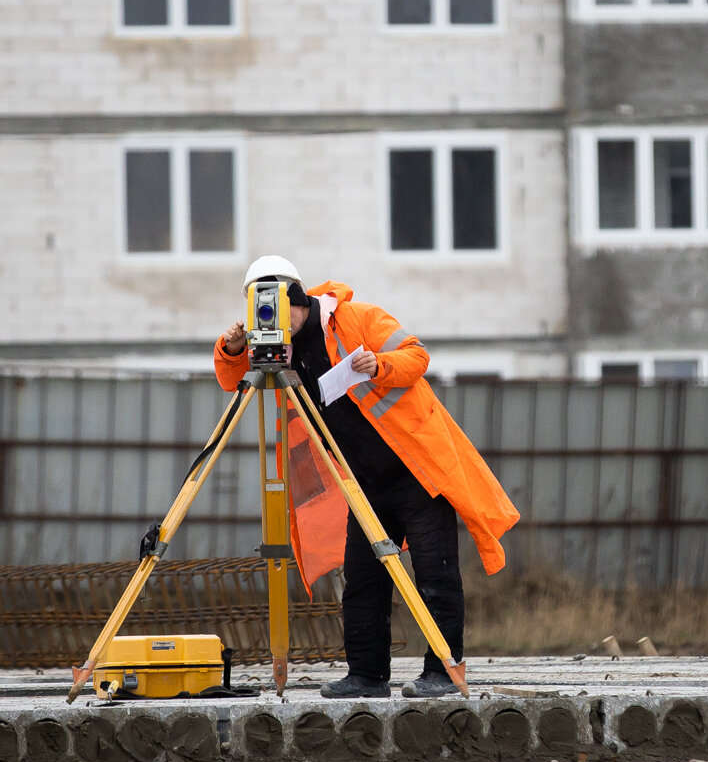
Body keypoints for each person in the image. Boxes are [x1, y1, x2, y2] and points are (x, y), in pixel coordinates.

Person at [215, 255, 519, 699]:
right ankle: (367, 675)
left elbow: (416, 355)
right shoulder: (281, 350)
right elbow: (233, 381)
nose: (278, 324)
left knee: (435, 577)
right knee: (362, 582)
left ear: (297, 298)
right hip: (364, 485)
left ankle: (443, 672)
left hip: (416, 473)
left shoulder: (356, 319)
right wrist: (233, 349)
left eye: (282, 312)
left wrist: (379, 365)